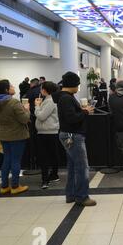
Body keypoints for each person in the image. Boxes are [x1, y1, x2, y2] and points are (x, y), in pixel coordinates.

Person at [55, 72, 96, 207]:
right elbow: (71, 118)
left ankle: (71, 194)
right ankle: (82, 197)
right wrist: (85, 112)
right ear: (71, 85)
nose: (78, 87)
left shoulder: (64, 97)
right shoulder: (66, 98)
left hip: (69, 135)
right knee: (82, 167)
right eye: (77, 85)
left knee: (73, 166)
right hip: (73, 135)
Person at [0, 80, 30, 195]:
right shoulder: (14, 102)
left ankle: (4, 186)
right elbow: (25, 119)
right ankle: (15, 186)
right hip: (17, 135)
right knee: (16, 161)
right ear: (7, 90)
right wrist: (26, 109)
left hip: (3, 135)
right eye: (11, 86)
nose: (13, 86)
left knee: (6, 160)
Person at [35, 81, 60, 189]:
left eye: (41, 88)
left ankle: (46, 180)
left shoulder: (50, 101)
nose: (40, 91)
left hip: (47, 132)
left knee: (44, 157)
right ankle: (54, 175)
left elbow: (41, 116)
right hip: (49, 131)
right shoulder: (49, 100)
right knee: (52, 155)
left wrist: (37, 106)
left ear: (45, 90)